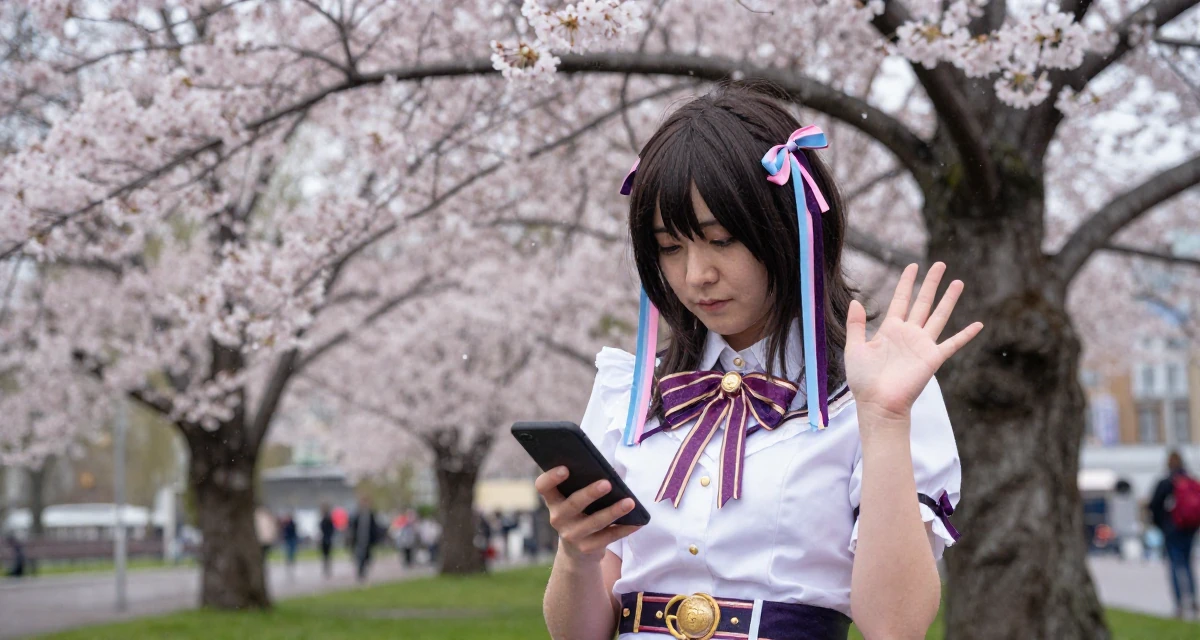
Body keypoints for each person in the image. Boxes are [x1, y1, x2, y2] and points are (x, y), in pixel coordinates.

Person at [537, 83, 981, 640]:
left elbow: (895, 627)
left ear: (788, 230)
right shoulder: (629, 396)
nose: (696, 274)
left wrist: (886, 422)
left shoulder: (872, 393)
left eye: (721, 240)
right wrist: (577, 553)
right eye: (670, 248)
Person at [1149, 450, 1200, 618]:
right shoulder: (1191, 481)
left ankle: (1179, 602)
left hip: (1172, 529)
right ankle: (1192, 598)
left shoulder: (1166, 483)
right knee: (1187, 563)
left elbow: (1154, 505)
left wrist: (1161, 524)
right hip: (1190, 528)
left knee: (1175, 565)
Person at [348, 495, 381, 582]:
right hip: (359, 540)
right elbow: (352, 527)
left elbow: (374, 528)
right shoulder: (356, 514)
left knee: (367, 557)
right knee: (359, 557)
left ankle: (363, 571)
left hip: (368, 539)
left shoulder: (371, 514)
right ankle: (360, 573)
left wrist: (375, 538)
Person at [319, 503, 336, 578]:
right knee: (325, 556)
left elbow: (331, 529)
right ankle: (326, 568)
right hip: (324, 539)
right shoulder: (323, 518)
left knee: (327, 556)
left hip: (327, 539)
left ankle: (327, 569)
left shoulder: (328, 519)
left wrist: (329, 536)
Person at [281, 512, 299, 576]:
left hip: (292, 539)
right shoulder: (285, 524)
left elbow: (294, 531)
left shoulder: (292, 524)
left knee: (292, 550)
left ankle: (292, 560)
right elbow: (284, 532)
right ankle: (289, 560)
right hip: (288, 539)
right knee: (288, 550)